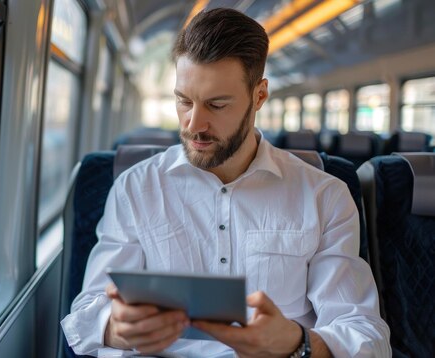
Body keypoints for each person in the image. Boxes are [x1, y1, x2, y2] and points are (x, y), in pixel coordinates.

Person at [61, 8, 391, 358]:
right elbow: (84, 316)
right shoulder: (134, 188)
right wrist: (116, 328)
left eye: (216, 105)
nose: (194, 125)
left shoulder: (325, 196)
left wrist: (297, 343)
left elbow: (365, 334)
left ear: (259, 96)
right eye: (183, 101)